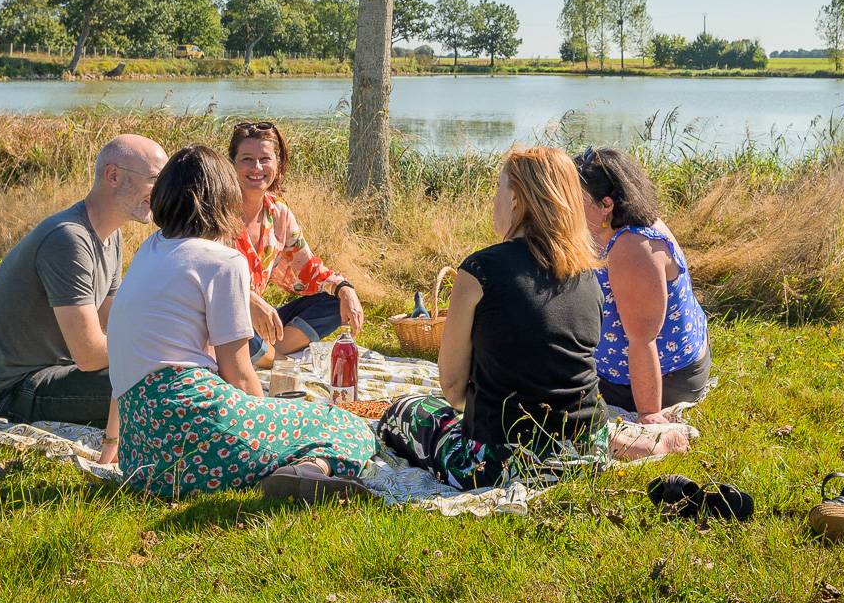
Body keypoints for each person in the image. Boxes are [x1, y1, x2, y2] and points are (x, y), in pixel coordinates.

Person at [106, 144, 376, 500]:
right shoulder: (222, 260)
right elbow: (237, 371)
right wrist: (262, 418)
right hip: (193, 424)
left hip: (142, 458)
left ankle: (296, 472)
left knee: (295, 418)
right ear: (223, 200)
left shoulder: (149, 250)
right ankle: (308, 472)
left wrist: (112, 440)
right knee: (345, 426)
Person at [375, 145, 610, 490]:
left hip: (498, 463)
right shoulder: (589, 276)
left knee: (407, 410)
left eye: (499, 189)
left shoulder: (480, 270)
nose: (495, 201)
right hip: (588, 455)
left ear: (516, 198)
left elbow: (453, 389)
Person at [0, 134, 166, 428]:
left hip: (57, 372)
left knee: (171, 377)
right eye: (154, 179)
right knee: (159, 388)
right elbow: (89, 355)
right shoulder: (68, 238)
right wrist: (161, 348)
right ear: (113, 176)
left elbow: (113, 322)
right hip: (7, 393)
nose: (162, 191)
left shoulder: (111, 234)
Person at [575, 146, 711, 417]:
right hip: (649, 369)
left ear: (606, 205)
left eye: (578, 199)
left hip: (663, 379)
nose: (570, 207)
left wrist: (649, 415)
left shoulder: (634, 247)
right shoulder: (613, 226)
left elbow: (642, 339)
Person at [226, 120, 364, 364]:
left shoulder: (278, 214)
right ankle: (272, 358)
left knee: (333, 302)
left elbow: (309, 270)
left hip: (256, 325)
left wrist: (345, 289)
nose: (257, 167)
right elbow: (203, 284)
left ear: (278, 165)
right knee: (236, 328)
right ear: (232, 165)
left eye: (265, 159)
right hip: (221, 321)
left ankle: (262, 351)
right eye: (247, 159)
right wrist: (245, 298)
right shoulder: (217, 214)